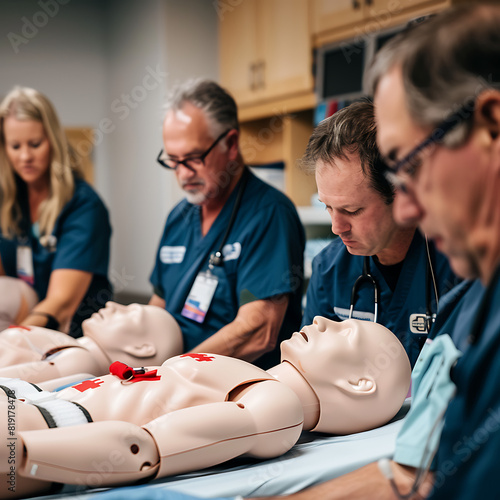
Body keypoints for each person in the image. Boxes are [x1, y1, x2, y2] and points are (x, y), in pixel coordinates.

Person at [242, 5, 500, 500]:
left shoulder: (460, 282)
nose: (407, 205)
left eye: (409, 167)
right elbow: (417, 471)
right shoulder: (472, 305)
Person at [0, 317, 411, 498]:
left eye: (345, 331)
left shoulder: (276, 407)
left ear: (361, 382)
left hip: (48, 430)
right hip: (34, 406)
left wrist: (20, 453)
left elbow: (143, 449)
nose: (323, 319)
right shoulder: (253, 378)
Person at [149, 79, 305, 369]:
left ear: (231, 144)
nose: (183, 174)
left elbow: (258, 331)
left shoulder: (269, 215)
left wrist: (174, 373)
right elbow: (158, 305)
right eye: (173, 160)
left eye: (194, 158)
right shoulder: (178, 218)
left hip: (236, 388)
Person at [301, 100, 458, 367]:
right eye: (328, 207)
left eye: (351, 210)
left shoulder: (457, 264)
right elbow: (310, 368)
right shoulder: (329, 270)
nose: (336, 228)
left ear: (400, 192)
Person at [0, 87, 112, 337]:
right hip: (22, 325)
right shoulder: (7, 201)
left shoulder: (83, 205)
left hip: (73, 333)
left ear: (53, 140)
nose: (25, 156)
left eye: (35, 144)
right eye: (15, 146)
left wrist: (12, 341)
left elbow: (61, 304)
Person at [0, 301, 183, 384]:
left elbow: (6, 385)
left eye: (129, 312)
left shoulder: (80, 361)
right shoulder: (72, 349)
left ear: (141, 348)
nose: (112, 305)